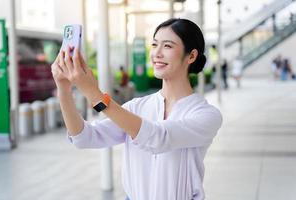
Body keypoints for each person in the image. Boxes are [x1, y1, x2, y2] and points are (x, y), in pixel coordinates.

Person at [51, 18, 222, 200]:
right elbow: (84, 138)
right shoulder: (136, 107)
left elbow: (158, 138)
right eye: (155, 44)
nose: (156, 53)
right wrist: (64, 89)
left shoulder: (206, 116)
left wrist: (96, 95)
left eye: (168, 46)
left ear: (192, 56)